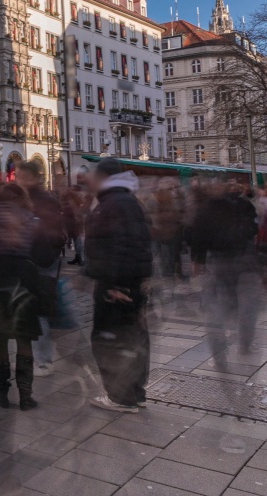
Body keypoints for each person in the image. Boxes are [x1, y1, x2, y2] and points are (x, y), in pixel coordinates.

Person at [85, 158, 153, 413]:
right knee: (134, 336)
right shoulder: (128, 201)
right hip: (131, 279)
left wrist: (114, 284)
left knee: (110, 338)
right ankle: (136, 393)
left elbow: (117, 245)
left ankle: (120, 396)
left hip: (116, 283)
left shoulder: (112, 204)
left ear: (103, 177)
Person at [0, 183, 42, 410]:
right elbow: (43, 253)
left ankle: (1, 393)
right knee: (24, 338)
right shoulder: (30, 218)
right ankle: (26, 396)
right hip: (22, 281)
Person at [187, 181, 260, 358]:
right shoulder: (245, 204)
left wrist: (198, 260)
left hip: (219, 260)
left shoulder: (207, 208)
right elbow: (254, 228)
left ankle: (218, 347)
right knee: (248, 305)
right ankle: (245, 344)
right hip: (246, 260)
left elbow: (196, 234)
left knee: (218, 303)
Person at [15, 162, 70, 377]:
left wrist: (48, 254)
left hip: (41, 261)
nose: (18, 180)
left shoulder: (43, 200)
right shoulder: (22, 200)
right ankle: (34, 356)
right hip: (27, 260)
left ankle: (44, 360)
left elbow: (54, 233)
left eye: (22, 176)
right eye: (17, 176)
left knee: (39, 311)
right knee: (30, 309)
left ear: (34, 177)